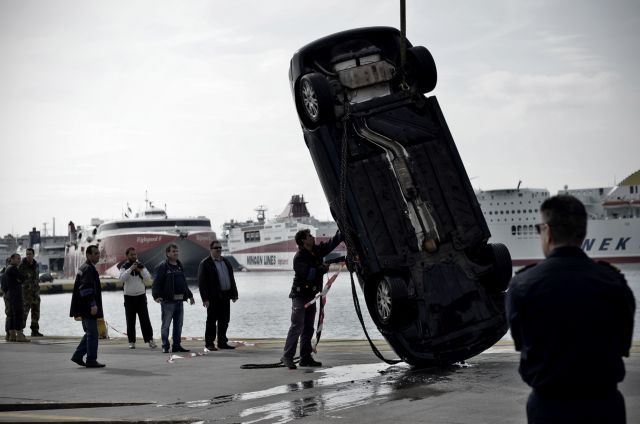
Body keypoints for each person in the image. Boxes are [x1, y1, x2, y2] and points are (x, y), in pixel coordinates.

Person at [506, 195, 635, 423]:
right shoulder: (614, 282)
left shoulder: (522, 285)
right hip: (605, 407)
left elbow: (523, 344)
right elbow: (622, 344)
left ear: (547, 231)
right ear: (583, 233)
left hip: (548, 408)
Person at [281, 229, 343, 369]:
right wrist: (323, 269)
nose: (313, 237)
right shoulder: (299, 257)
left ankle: (305, 357)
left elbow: (329, 245)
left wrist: (342, 233)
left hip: (311, 296)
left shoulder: (315, 251)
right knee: (297, 326)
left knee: (308, 327)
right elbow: (309, 274)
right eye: (309, 236)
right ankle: (287, 356)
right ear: (303, 240)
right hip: (300, 297)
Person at [152, 243, 195, 353]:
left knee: (178, 325)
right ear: (167, 253)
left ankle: (177, 346)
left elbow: (184, 283)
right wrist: (156, 296)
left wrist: (190, 295)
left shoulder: (180, 266)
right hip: (168, 302)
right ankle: (165, 345)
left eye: (177, 251)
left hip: (180, 301)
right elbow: (156, 283)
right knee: (166, 325)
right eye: (173, 251)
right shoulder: (162, 267)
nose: (176, 253)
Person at [198, 240, 239, 351]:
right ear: (211, 250)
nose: (219, 250)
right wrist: (205, 298)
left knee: (224, 320)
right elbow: (202, 283)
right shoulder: (205, 263)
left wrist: (234, 294)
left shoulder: (226, 262)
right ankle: (209, 343)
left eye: (220, 248)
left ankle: (222, 342)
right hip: (213, 297)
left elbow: (231, 279)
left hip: (225, 295)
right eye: (216, 248)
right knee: (211, 320)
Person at [69, 245, 105, 368]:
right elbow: (86, 288)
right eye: (95, 253)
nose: (98, 255)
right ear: (88, 255)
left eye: (98, 253)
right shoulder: (88, 269)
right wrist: (93, 304)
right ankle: (91, 359)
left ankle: (78, 355)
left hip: (83, 306)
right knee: (93, 334)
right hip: (87, 307)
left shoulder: (84, 267)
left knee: (90, 332)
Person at [119, 247, 157, 349]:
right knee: (130, 320)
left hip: (141, 296)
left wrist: (140, 270)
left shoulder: (141, 266)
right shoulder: (124, 266)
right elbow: (122, 278)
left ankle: (150, 340)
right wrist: (131, 269)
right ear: (127, 256)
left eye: (135, 254)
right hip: (129, 297)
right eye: (132, 254)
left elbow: (148, 278)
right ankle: (131, 341)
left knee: (145, 320)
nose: (134, 256)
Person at [5, 253, 30, 342]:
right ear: (12, 259)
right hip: (16, 295)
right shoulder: (13, 268)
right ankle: (19, 336)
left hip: (11, 294)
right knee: (18, 314)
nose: (19, 260)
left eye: (20, 258)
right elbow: (22, 278)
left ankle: (12, 335)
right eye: (18, 258)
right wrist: (25, 276)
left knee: (12, 314)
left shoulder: (8, 268)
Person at [19, 248, 43, 337]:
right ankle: (20, 331)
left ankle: (35, 330)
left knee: (36, 312)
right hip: (26, 294)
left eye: (30, 254)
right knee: (24, 313)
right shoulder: (22, 266)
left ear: (33, 254)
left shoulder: (36, 265)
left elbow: (36, 278)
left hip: (35, 293)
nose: (28, 256)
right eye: (27, 254)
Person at [1, 257, 12, 341]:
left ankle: (12, 333)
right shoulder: (4, 274)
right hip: (8, 296)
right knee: (9, 314)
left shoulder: (12, 272)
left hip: (13, 296)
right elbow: (3, 287)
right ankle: (8, 333)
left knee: (13, 314)